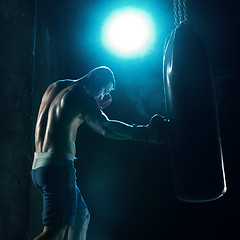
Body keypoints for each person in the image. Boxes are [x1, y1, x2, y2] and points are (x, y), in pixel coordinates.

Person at [31, 66, 170, 240]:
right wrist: (145, 133)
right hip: (58, 169)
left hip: (39, 168)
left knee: (82, 217)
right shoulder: (82, 95)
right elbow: (105, 127)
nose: (103, 96)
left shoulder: (56, 87)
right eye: (105, 89)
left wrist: (91, 106)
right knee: (54, 232)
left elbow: (62, 119)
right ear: (96, 77)